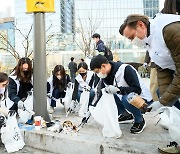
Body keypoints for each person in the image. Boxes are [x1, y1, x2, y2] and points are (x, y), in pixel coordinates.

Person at [119, 14, 180, 111]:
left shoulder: (169, 31)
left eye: (132, 37)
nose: (133, 42)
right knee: (162, 93)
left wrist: (163, 102)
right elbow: (163, 69)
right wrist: (164, 103)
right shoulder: (149, 42)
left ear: (140, 25)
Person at [90, 55, 152, 134]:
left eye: (97, 72)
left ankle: (139, 119)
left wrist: (118, 90)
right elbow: (99, 93)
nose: (97, 74)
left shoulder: (125, 69)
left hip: (141, 100)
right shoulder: (105, 77)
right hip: (124, 97)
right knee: (108, 96)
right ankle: (127, 115)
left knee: (127, 98)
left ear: (103, 66)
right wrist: (92, 108)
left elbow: (137, 89)